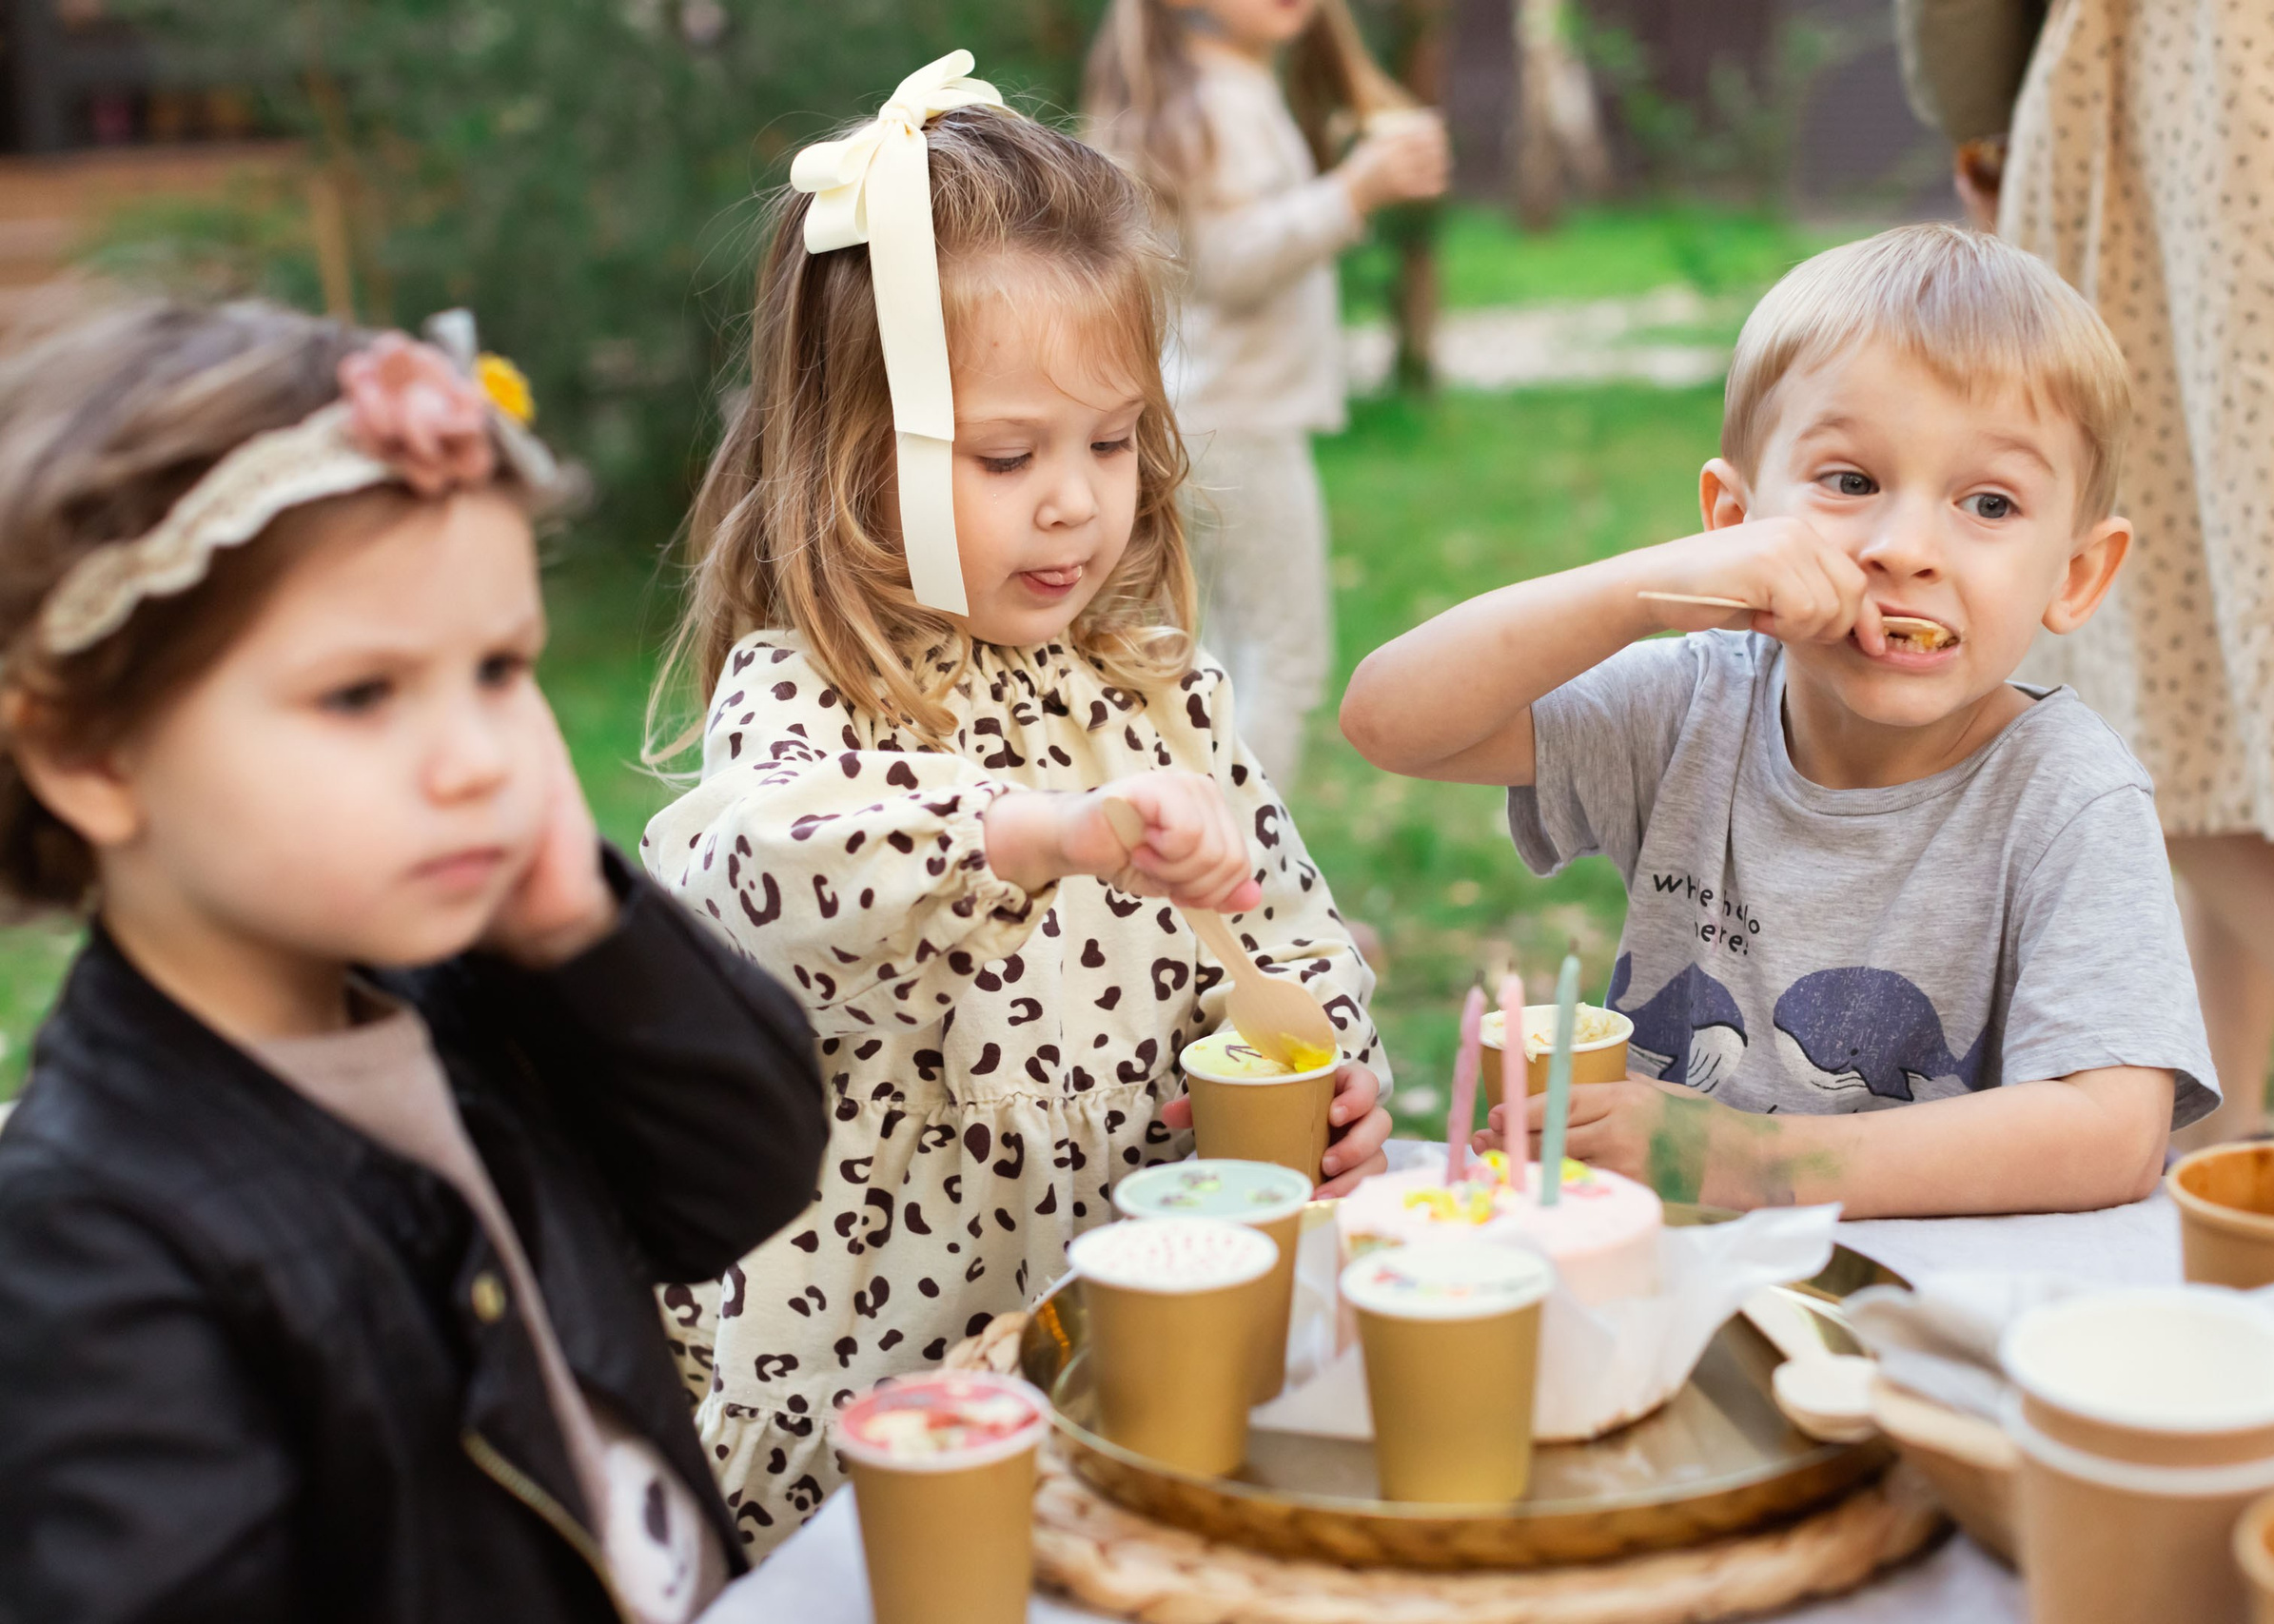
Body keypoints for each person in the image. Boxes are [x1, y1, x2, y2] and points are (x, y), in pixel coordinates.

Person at [641, 60, 1391, 1543]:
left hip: (1137, 1325)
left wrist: (1335, 1074)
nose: (1075, 499)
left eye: (1110, 439)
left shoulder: (1157, 693)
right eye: (1007, 454)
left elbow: (1286, 934)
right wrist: (1035, 830)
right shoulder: (807, 692)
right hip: (884, 1366)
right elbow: (758, 864)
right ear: (851, 450)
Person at [0, 303, 827, 1621]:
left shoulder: (475, 993)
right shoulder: (89, 1238)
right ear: (89, 754)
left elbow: (745, 1176)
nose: (477, 760)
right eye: (362, 693)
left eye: (497, 670)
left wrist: (579, 932)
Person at [1341, 225, 2220, 1219]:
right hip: (1664, 1267)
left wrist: (1747, 1161)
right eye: (1851, 483)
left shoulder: (2068, 797)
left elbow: (2114, 1134)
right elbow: (1389, 720)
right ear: (1734, 522)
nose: (1905, 548)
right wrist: (1650, 587)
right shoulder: (1690, 705)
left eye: (1988, 503)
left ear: (2077, 574)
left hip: (1913, 1293)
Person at [1898, 0, 2274, 1152]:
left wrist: (1981, 110)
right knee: (2212, 606)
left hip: (2219, 78)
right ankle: (2202, 1151)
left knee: (2145, 634)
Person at [1083, 0, 1448, 789]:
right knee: (1282, 662)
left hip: (1203, 416)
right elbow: (1233, 264)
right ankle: (1244, 862)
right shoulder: (1221, 99)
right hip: (1240, 423)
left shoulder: (1216, 86)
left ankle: (1189, 845)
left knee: (1207, 661)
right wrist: (1355, 190)